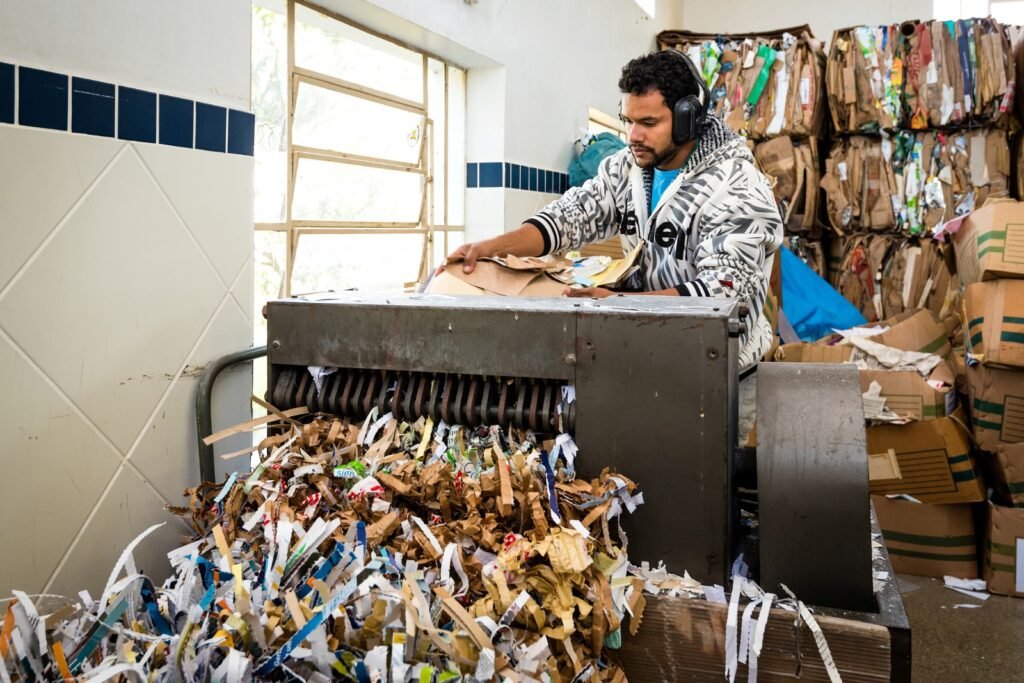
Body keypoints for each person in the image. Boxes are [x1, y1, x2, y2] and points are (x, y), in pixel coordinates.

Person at [446, 50, 783, 443]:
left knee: (702, 490)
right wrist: (488, 247)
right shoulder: (628, 168)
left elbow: (721, 297)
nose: (633, 135)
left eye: (648, 122)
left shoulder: (738, 187)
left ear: (689, 116)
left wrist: (617, 306)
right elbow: (569, 216)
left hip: (717, 373)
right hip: (647, 355)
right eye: (628, 121)